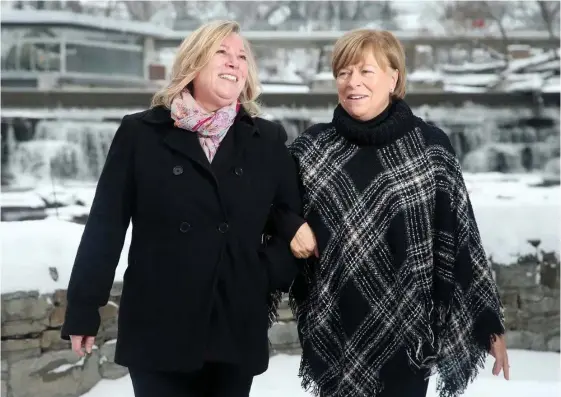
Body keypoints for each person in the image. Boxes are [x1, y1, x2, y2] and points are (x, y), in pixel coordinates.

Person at [60, 20, 302, 397]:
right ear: (193, 62)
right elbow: (106, 226)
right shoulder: (141, 133)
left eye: (242, 57)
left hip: (234, 318)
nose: (234, 62)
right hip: (159, 322)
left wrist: (264, 272)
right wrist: (83, 308)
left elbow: (290, 218)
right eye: (222, 52)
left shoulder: (266, 139)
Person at [275, 29, 510, 397]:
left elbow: (462, 236)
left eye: (365, 71)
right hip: (333, 331)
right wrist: (289, 224)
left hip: (408, 336)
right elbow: (269, 204)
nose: (353, 83)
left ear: (393, 77)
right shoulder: (312, 149)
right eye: (343, 73)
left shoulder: (430, 147)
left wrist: (487, 323)